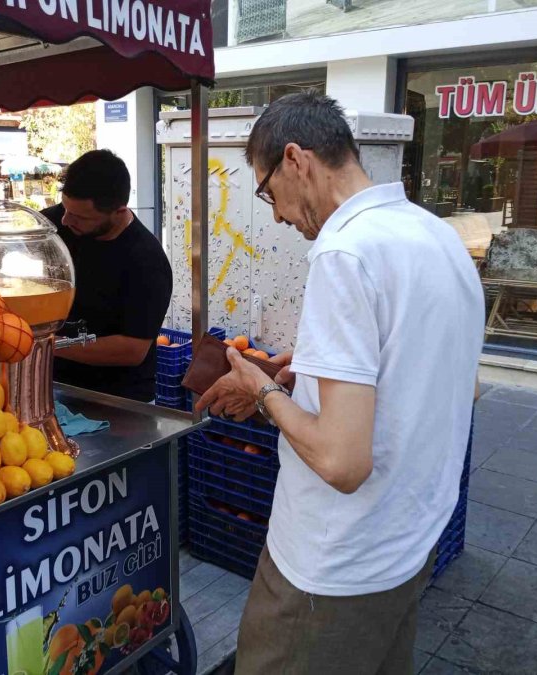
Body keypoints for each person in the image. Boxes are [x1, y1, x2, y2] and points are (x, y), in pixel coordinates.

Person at [197, 93, 484, 674]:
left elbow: (341, 463)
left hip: (333, 565)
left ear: (296, 160)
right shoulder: (436, 237)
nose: (275, 214)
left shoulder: (344, 253)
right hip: (409, 540)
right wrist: (313, 370)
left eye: (267, 191)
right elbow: (442, 377)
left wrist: (262, 390)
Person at [41, 150, 172, 402]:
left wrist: (50, 345)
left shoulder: (146, 259)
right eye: (64, 207)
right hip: (56, 388)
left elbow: (133, 349)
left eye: (79, 216)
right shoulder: (52, 225)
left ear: (118, 211)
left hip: (120, 402)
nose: (66, 220)